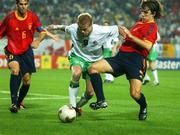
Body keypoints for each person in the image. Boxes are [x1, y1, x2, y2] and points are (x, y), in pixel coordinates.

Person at [88, 0, 163, 120]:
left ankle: (143, 106)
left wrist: (131, 36)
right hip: (121, 56)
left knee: (135, 94)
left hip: (136, 61)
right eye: (142, 11)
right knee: (93, 68)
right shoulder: (139, 23)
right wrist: (125, 35)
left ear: (153, 13)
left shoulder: (152, 27)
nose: (142, 14)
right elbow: (130, 38)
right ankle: (101, 100)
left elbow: (148, 46)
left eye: (146, 12)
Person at [47, 12, 125, 115]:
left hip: (93, 62)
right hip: (78, 57)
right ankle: (72, 106)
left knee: (90, 93)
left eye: (85, 29)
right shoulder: (74, 28)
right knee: (76, 73)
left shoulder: (101, 30)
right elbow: (65, 27)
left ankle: (77, 107)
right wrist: (54, 27)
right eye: (80, 29)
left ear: (91, 25)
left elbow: (119, 28)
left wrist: (125, 38)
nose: (82, 32)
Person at [0, 0, 57, 113]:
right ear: (17, 5)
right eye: (21, 4)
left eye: (25, 4)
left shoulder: (33, 17)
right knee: (15, 70)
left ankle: (19, 101)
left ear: (28, 4)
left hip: (26, 51)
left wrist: (37, 40)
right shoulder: (9, 18)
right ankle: (14, 103)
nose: (23, 6)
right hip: (12, 51)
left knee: (26, 80)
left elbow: (42, 31)